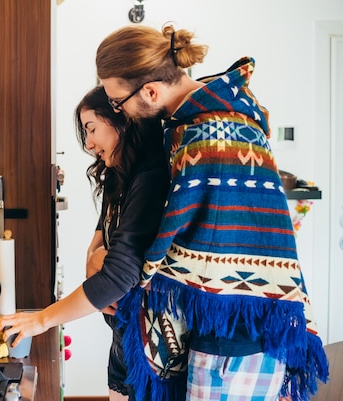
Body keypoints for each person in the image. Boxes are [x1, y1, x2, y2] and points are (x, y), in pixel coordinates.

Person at [94, 23, 329, 401]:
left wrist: (127, 280)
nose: (121, 112)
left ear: (150, 91)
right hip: (233, 321)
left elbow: (206, 240)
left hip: (239, 332)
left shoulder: (208, 134)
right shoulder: (202, 118)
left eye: (118, 102)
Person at [0, 85, 175, 400]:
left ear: (121, 119)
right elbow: (103, 231)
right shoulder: (121, 172)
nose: (89, 143)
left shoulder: (150, 177)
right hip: (123, 331)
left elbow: (118, 275)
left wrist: (41, 320)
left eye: (92, 129)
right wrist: (93, 258)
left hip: (148, 341)